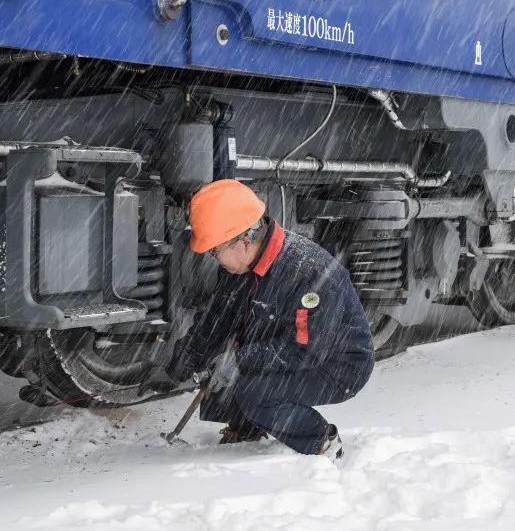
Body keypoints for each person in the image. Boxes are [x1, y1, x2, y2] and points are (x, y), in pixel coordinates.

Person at [137, 179, 375, 459]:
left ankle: (322, 444)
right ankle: (248, 432)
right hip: (296, 348)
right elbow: (215, 323)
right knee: (226, 365)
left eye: (215, 251)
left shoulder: (308, 274)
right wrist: (172, 371)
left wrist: (239, 360)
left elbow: (307, 350)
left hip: (337, 365)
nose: (214, 258)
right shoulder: (240, 267)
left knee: (254, 392)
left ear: (245, 241)